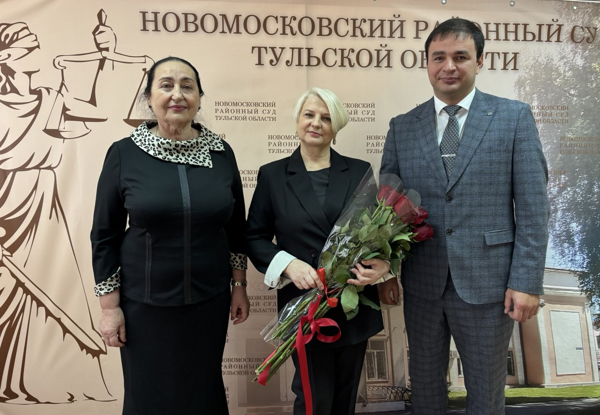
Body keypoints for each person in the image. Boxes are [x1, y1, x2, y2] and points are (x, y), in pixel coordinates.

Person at [380, 18, 550, 414]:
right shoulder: (403, 127)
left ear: (480, 61)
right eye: (438, 57)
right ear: (427, 63)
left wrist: (526, 281)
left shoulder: (513, 117)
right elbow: (386, 210)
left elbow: (533, 208)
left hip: (489, 286)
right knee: (425, 392)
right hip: (422, 284)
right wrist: (386, 271)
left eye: (460, 56)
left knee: (486, 396)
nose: (449, 66)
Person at [90, 56, 250, 415]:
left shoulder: (221, 153)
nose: (177, 94)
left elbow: (235, 228)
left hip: (209, 302)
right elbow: (104, 236)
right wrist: (110, 309)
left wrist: (238, 284)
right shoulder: (124, 154)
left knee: (203, 394)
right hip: (144, 306)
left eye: (187, 86)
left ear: (199, 98)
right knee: (149, 398)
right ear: (149, 98)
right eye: (166, 85)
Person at [246, 87, 397, 415]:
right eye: (309, 115)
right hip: (305, 308)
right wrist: (288, 265)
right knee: (314, 402)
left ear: (336, 127)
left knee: (345, 402)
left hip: (355, 307)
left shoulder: (358, 172)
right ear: (297, 121)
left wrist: (384, 267)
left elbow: (378, 236)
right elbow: (254, 237)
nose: (316, 123)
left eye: (326, 118)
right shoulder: (272, 175)